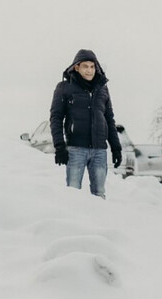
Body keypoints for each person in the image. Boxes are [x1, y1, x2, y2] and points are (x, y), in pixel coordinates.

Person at [50, 49, 122, 198]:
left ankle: (98, 221)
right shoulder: (64, 88)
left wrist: (116, 147)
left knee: (99, 193)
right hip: (76, 149)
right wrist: (59, 146)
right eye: (85, 66)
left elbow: (109, 119)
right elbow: (56, 118)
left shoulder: (102, 89)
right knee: (73, 193)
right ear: (77, 67)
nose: (89, 70)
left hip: (99, 151)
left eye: (92, 66)